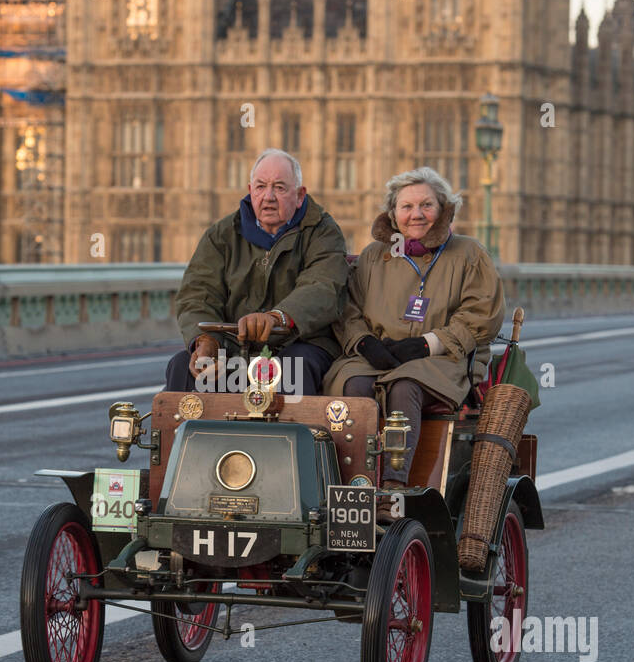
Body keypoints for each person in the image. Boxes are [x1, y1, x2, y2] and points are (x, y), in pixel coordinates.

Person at [325, 166, 504, 503]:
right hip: (375, 354)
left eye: (426, 205)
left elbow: (481, 315)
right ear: (393, 214)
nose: (416, 215)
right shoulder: (373, 256)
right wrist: (364, 342)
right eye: (406, 207)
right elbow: (347, 309)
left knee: (405, 386)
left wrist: (426, 344)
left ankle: (393, 486)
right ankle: (354, 482)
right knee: (354, 385)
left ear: (443, 209)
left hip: (444, 358)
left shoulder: (468, 253)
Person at [165, 148, 349, 395]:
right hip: (233, 347)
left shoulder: (323, 232)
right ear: (250, 191)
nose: (269, 196)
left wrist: (277, 317)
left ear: (299, 195)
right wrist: (206, 341)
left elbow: (323, 287)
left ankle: (286, 435)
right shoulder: (222, 235)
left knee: (289, 368)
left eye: (280, 188)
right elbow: (198, 293)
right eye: (261, 187)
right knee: (181, 367)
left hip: (300, 344)